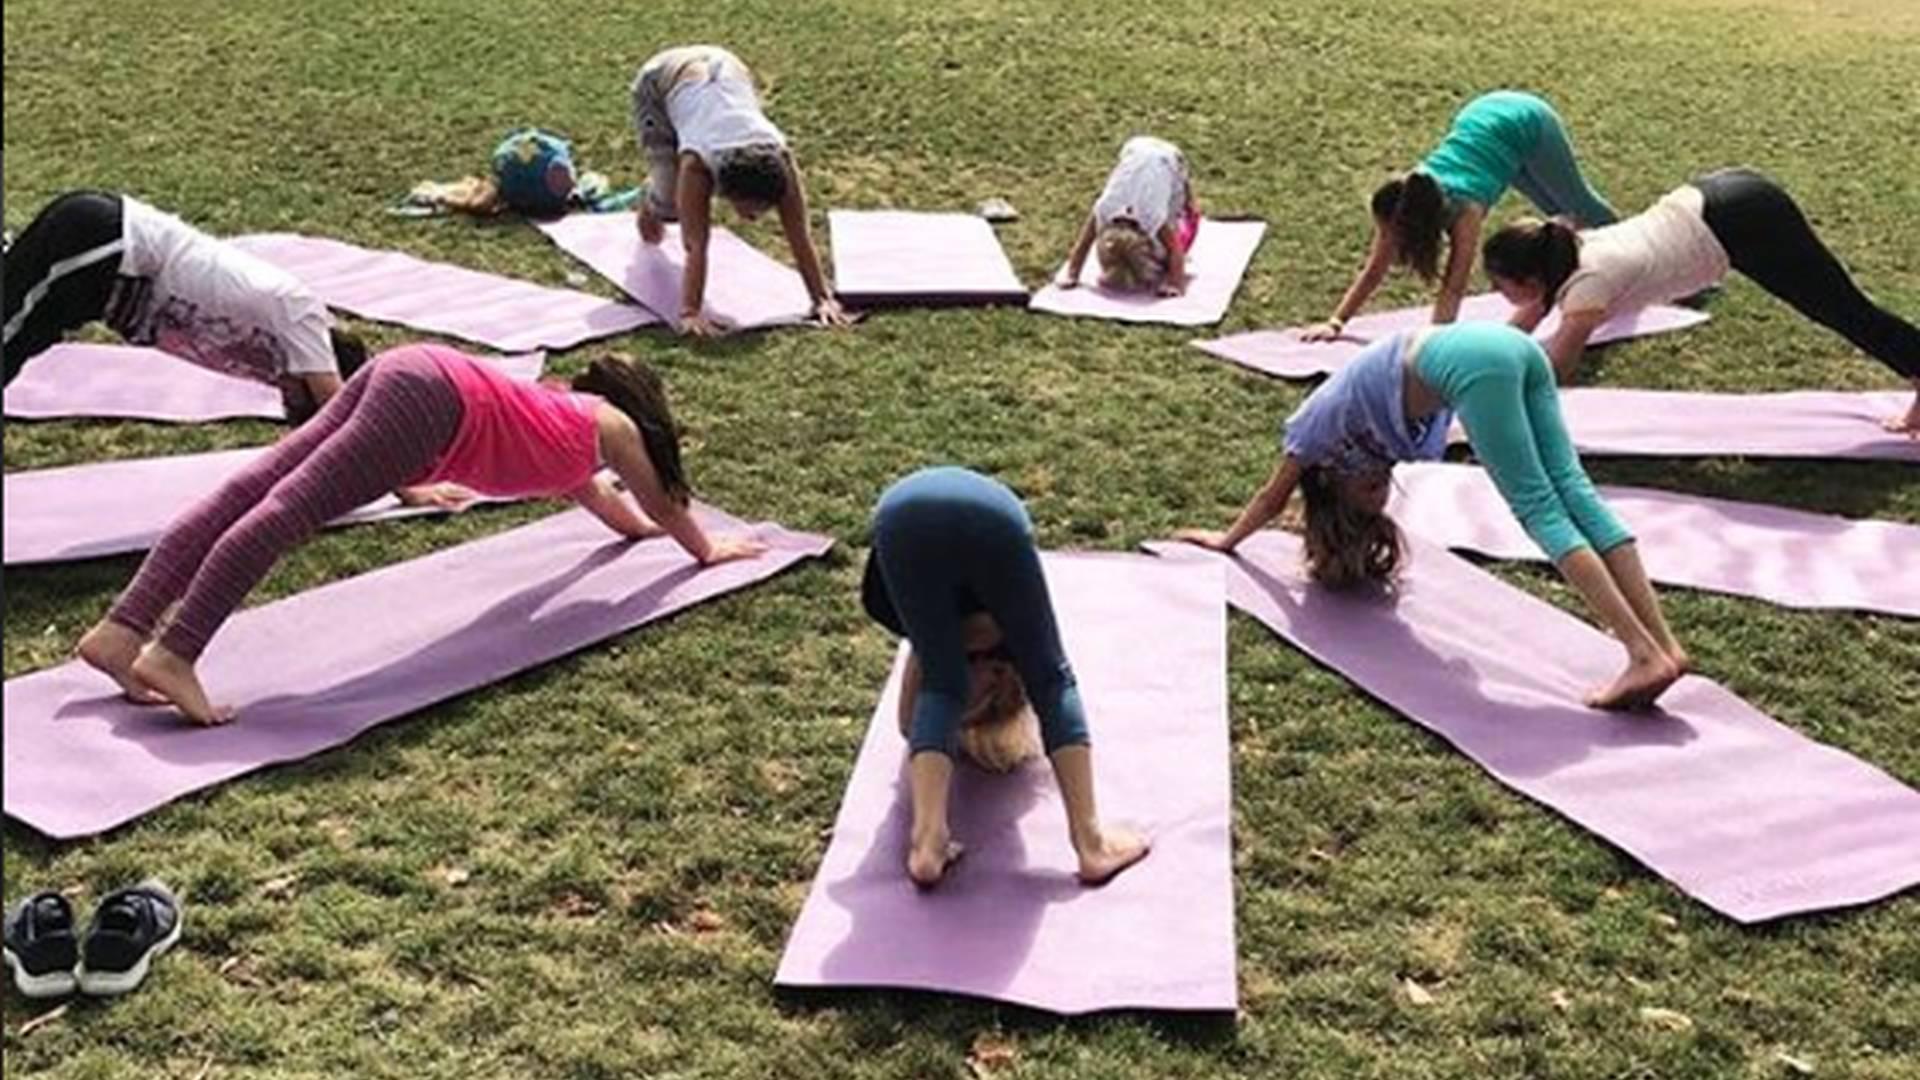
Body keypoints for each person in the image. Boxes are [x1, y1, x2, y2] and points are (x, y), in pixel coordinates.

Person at [76, 345, 767, 725]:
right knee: (286, 510)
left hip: (412, 370)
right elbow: (663, 499)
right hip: (433, 401)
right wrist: (705, 549)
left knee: (251, 491)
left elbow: (615, 507)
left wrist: (641, 532)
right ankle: (175, 652)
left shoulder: (565, 430)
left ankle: (121, 632)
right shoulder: (611, 427)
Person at [1178, 322, 1690, 710]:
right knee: (1575, 494)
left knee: (1542, 508)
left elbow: (1271, 499)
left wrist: (1226, 540)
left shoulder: (1311, 435)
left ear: (1333, 485)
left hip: (1479, 358)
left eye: (1369, 496)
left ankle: (1644, 653)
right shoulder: (1362, 443)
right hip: (1512, 349)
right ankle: (1665, 649)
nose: (1380, 495)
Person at [863, 466, 1151, 887]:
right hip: (966, 519)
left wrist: (945, 678)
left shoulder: (926, 632)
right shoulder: (1011, 643)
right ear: (1001, 677)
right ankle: (1091, 843)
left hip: (904, 514)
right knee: (1050, 679)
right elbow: (1051, 684)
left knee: (947, 683)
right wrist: (946, 678)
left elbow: (921, 710)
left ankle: (928, 843)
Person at [1483, 167, 1920, 434]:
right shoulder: (1560, 253)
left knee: (1844, 311)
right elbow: (1523, 324)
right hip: (1715, 198)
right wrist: (1478, 366)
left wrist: (1499, 414)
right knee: (1842, 309)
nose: (1495, 293)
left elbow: (1555, 369)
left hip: (1742, 221)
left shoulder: (1587, 287)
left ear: (1532, 277)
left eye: (1500, 284)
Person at [3, 191, 367, 424]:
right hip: (106, 243)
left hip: (105, 278)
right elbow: (340, 423)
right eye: (302, 395)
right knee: (10, 337)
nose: (286, 396)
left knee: (21, 337)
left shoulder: (281, 349)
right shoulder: (302, 318)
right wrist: (401, 488)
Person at [1303, 91, 1616, 338]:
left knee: (1579, 207)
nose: (1386, 241)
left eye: (1390, 234)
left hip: (1524, 121)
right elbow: (1374, 270)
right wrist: (1336, 322)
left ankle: (1630, 243)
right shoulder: (1403, 198)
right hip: (1485, 123)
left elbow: (1455, 285)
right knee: (1559, 212)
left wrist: (1434, 347)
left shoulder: (1466, 210)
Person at [629, 45, 851, 336]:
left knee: (679, 199)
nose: (755, 218)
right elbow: (696, 244)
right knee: (668, 211)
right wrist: (690, 312)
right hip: (660, 82)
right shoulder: (697, 163)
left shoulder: (780, 159)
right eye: (750, 208)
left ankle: (664, 190)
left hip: (723, 67)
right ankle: (652, 196)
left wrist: (822, 299)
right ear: (724, 189)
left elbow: (799, 233)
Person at [1058, 136, 1201, 296]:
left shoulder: (1152, 216)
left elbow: (1176, 249)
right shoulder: (1105, 208)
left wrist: (1174, 284)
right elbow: (1083, 244)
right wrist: (1072, 274)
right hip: (1134, 150)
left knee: (1179, 221)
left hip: (1170, 160)